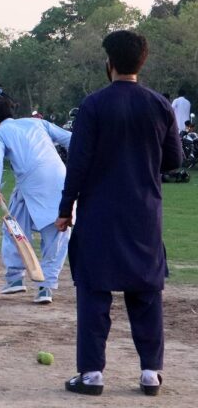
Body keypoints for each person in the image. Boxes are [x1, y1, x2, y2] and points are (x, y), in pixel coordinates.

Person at [56, 30, 182, 397]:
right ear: (141, 62)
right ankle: (150, 373)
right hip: (144, 213)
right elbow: (174, 159)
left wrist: (66, 209)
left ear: (108, 63)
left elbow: (77, 164)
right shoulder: (160, 105)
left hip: (99, 213)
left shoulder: (94, 105)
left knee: (94, 290)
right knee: (146, 291)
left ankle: (92, 374)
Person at [0, 95, 72, 303]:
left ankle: (15, 278)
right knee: (57, 234)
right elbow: (71, 139)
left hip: (31, 180)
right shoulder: (37, 122)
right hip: (60, 177)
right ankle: (46, 288)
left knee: (13, 228)